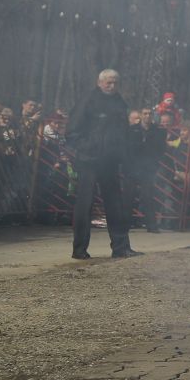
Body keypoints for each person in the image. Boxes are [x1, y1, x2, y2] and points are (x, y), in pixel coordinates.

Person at [67, 69, 136, 260]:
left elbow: (123, 131)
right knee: (85, 204)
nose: (112, 86)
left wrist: (123, 154)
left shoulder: (120, 102)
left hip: (110, 160)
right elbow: (72, 130)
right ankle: (79, 249)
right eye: (108, 83)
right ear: (100, 82)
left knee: (115, 204)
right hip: (89, 160)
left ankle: (121, 248)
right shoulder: (88, 100)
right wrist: (86, 147)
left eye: (115, 83)